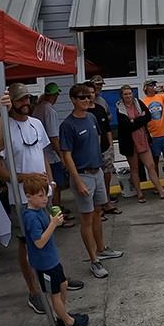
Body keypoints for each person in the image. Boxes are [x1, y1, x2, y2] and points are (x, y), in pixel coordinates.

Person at [0, 85, 56, 313]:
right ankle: (33, 292)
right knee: (26, 244)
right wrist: (24, 177)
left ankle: (51, 280)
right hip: (21, 198)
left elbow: (43, 155)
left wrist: (50, 184)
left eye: (27, 98)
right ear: (12, 103)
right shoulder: (4, 129)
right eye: (19, 100)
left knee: (46, 239)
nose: (25, 102)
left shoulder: (36, 123)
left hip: (43, 195)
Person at [60, 84, 124, 279]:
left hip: (96, 171)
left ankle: (102, 248)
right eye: (82, 98)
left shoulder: (91, 117)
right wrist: (77, 180)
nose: (87, 100)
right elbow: (66, 155)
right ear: (73, 100)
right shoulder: (68, 125)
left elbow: (95, 142)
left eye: (89, 97)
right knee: (86, 218)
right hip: (83, 175)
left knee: (98, 212)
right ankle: (93, 260)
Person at [21, 176, 89, 326]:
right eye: (40, 196)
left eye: (45, 194)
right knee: (55, 293)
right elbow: (39, 242)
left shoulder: (39, 210)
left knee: (63, 284)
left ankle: (62, 314)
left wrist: (54, 221)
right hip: (44, 262)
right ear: (28, 196)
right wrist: (53, 224)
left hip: (51, 259)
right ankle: (68, 321)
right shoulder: (31, 217)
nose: (44, 199)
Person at [115, 85, 164, 203]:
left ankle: (161, 190)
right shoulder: (119, 108)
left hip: (143, 139)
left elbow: (147, 116)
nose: (128, 96)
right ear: (122, 96)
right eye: (125, 94)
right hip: (129, 143)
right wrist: (138, 119)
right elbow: (126, 126)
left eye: (130, 93)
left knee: (151, 165)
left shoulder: (138, 102)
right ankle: (139, 193)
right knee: (135, 168)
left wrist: (134, 120)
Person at [31, 83, 74, 228]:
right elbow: (53, 137)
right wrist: (61, 156)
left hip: (41, 155)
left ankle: (55, 210)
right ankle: (57, 216)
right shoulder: (49, 111)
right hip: (50, 156)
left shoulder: (38, 108)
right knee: (56, 186)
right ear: (54, 95)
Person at [83, 82, 121, 217]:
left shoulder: (100, 108)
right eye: (87, 94)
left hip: (105, 148)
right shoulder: (84, 112)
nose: (90, 96)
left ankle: (106, 202)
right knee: (94, 180)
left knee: (106, 175)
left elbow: (107, 128)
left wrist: (111, 145)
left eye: (92, 93)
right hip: (92, 152)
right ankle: (96, 209)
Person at [89, 76, 118, 208]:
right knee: (96, 176)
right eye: (96, 85)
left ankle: (106, 198)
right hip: (92, 148)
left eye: (101, 85)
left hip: (105, 145)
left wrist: (111, 145)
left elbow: (108, 123)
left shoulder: (102, 103)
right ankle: (98, 204)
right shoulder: (86, 108)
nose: (99, 88)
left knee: (107, 173)